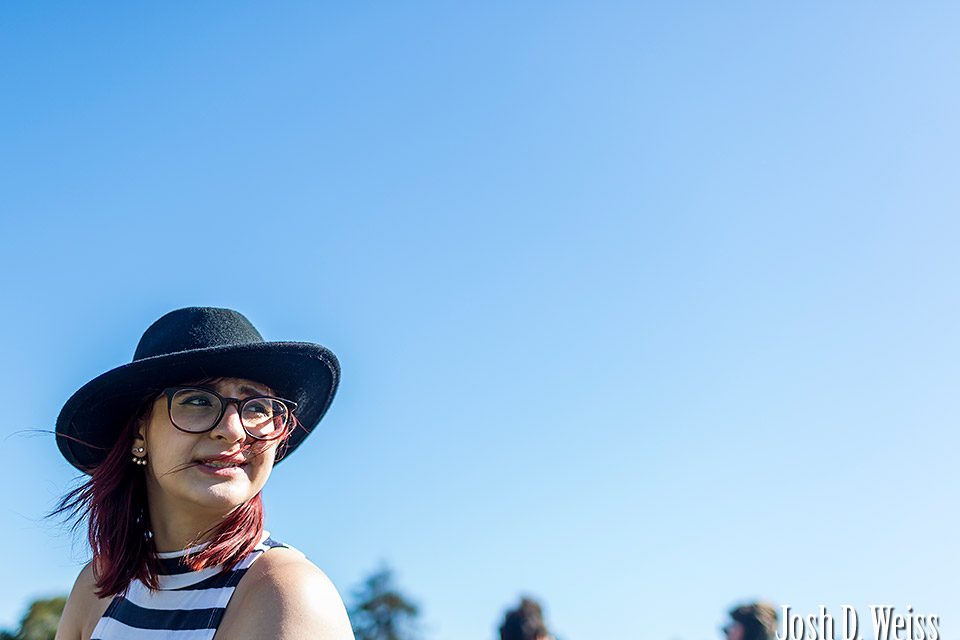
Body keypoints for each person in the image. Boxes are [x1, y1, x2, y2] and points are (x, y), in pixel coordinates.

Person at [53, 307, 356, 640]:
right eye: (198, 401)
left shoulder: (286, 594)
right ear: (140, 433)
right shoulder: (97, 587)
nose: (232, 430)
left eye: (257, 407)